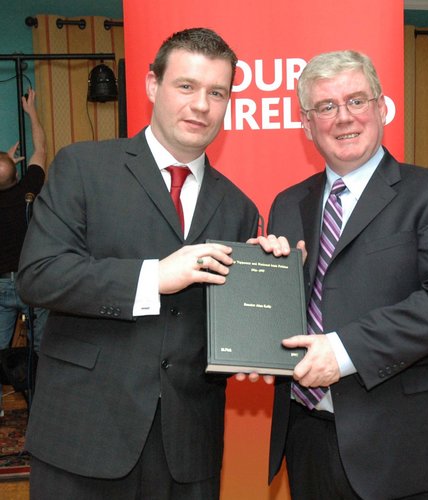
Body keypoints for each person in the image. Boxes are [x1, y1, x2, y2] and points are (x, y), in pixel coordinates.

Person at [17, 28, 260, 500]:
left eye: (217, 92)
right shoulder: (83, 167)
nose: (202, 105)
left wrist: (262, 332)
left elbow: (228, 326)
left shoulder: (239, 207)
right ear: (152, 85)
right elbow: (39, 275)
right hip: (85, 436)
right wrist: (153, 277)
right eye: (186, 86)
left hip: (188, 448)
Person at [265, 50, 428, 499]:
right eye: (326, 107)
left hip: (403, 444)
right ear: (307, 125)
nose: (344, 118)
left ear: (381, 108)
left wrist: (341, 352)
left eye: (356, 101)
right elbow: (288, 313)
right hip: (306, 434)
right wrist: (259, 307)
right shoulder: (287, 203)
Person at [0, 88, 48, 415]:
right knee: (42, 349)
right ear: (18, 174)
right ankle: (44, 408)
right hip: (32, 283)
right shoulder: (29, 190)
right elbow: (41, 148)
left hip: (1, 286)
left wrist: (4, 161)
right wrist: (30, 111)